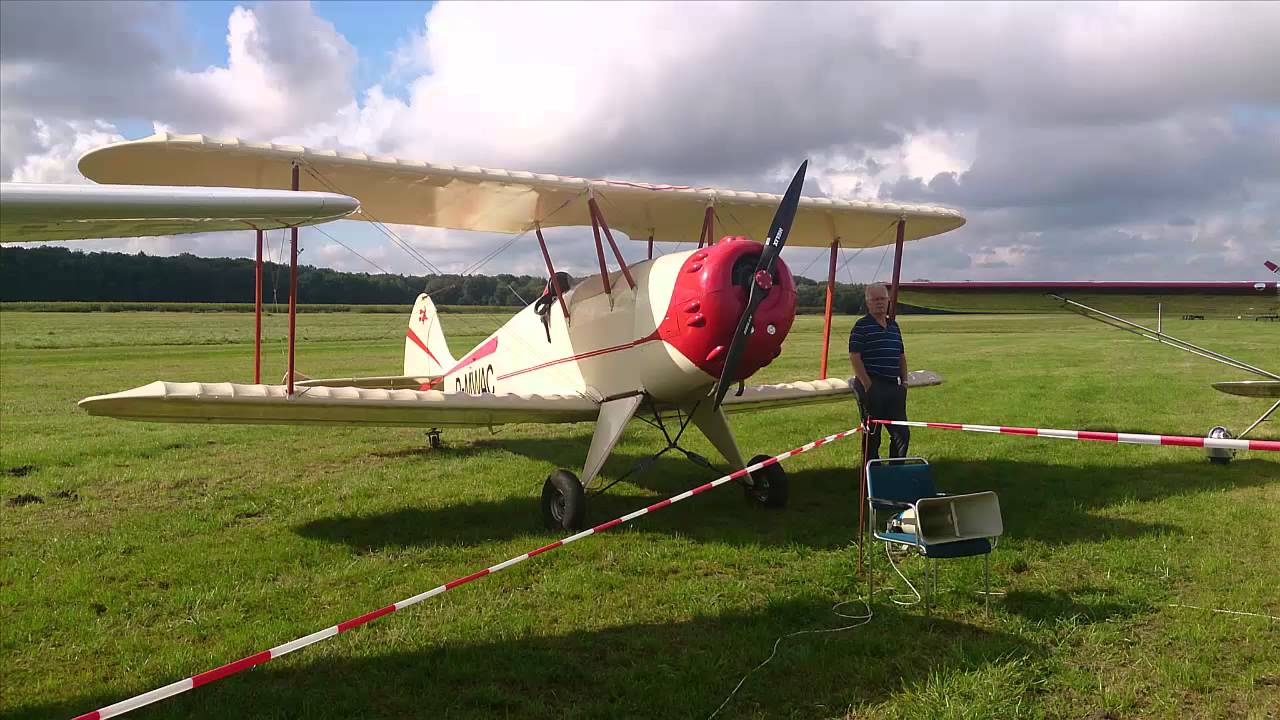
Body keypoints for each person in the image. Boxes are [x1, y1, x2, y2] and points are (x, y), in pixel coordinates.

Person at [848, 282, 909, 460]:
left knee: (902, 434)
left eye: (882, 299)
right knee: (873, 437)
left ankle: (895, 472)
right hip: (873, 386)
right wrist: (868, 385)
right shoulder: (861, 327)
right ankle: (871, 478)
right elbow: (854, 356)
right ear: (868, 303)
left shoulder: (894, 326)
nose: (879, 303)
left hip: (894, 387)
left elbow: (901, 355)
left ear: (889, 301)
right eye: (875, 300)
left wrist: (904, 383)